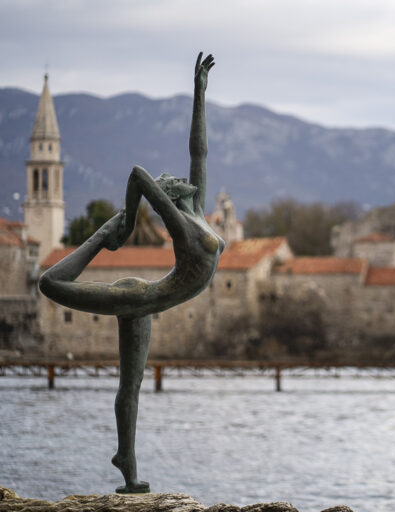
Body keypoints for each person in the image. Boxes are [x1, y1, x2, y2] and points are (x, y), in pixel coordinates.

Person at [39, 52, 223, 494]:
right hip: (134, 298)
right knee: (49, 283)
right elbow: (139, 175)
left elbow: (198, 148)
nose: (185, 177)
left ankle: (127, 463)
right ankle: (103, 234)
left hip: (145, 300)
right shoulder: (180, 225)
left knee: (132, 386)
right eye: (175, 181)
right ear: (170, 195)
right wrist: (123, 223)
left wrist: (198, 91)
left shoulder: (195, 209)